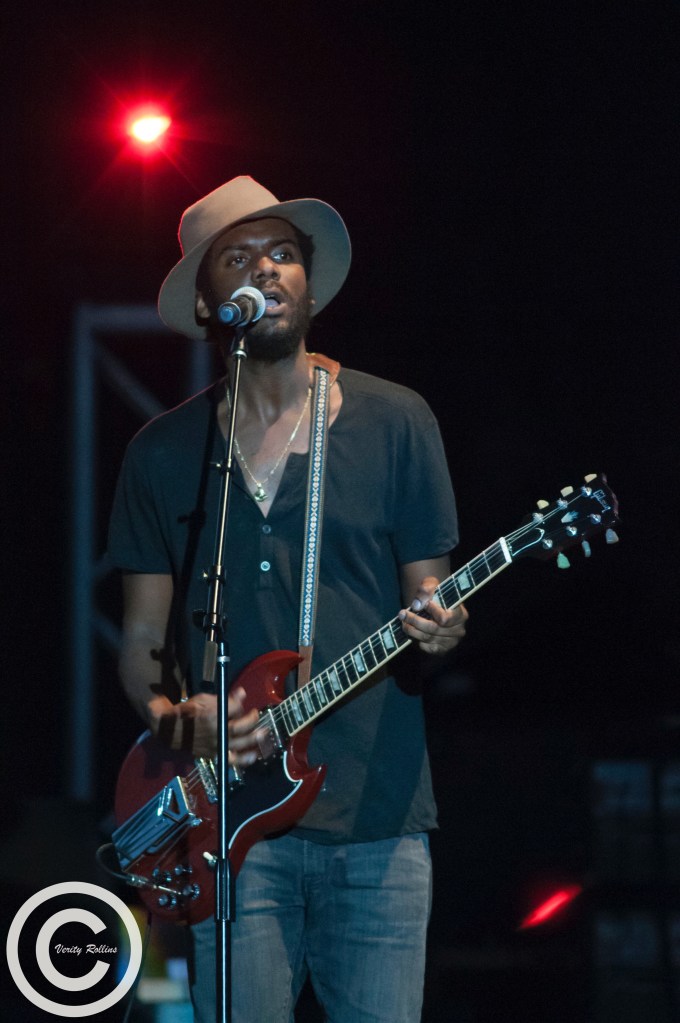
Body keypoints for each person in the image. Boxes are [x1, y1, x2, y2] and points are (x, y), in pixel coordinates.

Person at [107, 175, 468, 1023]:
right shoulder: (162, 453)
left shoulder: (396, 421)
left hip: (377, 821)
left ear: (308, 285)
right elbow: (142, 643)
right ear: (208, 304)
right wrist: (178, 720)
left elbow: (433, 599)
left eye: (282, 254)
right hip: (228, 830)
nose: (266, 270)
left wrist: (444, 626)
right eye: (238, 258)